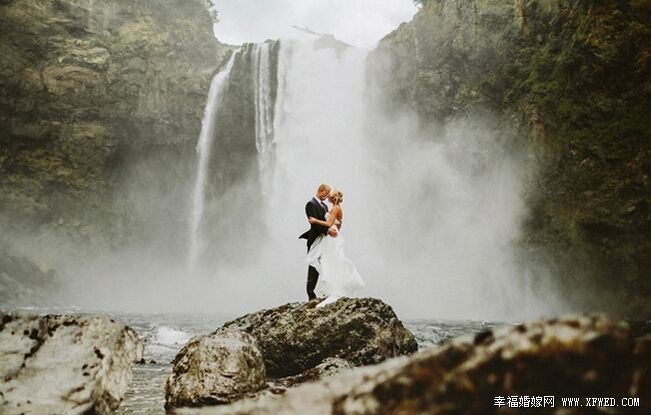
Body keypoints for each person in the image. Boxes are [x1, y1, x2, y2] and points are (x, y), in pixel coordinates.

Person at [305, 189, 365, 307]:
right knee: (331, 261)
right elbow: (338, 224)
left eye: (329, 195)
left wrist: (314, 220)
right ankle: (329, 288)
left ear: (333, 198)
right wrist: (335, 228)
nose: (327, 197)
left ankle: (333, 289)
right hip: (331, 236)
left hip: (330, 237)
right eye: (326, 194)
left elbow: (328, 224)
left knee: (329, 261)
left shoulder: (335, 208)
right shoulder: (333, 208)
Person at [298, 184, 336, 300]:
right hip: (315, 239)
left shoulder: (324, 205)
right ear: (321, 190)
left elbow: (327, 220)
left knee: (326, 264)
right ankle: (311, 293)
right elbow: (313, 224)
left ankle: (327, 290)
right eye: (326, 193)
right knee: (313, 266)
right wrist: (327, 230)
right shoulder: (310, 204)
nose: (327, 195)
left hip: (324, 240)